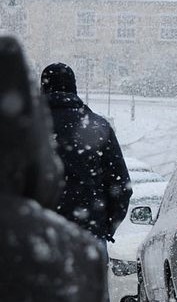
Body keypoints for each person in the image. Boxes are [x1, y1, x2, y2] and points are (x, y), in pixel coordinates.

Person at [0, 37, 108, 301]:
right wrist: (100, 224)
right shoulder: (77, 256)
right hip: (84, 226)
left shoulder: (39, 127)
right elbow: (119, 185)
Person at [41, 62, 132, 244]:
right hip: (88, 234)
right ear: (74, 88)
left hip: (38, 236)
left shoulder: (25, 128)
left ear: (43, 89)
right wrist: (105, 226)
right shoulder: (97, 127)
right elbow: (120, 185)